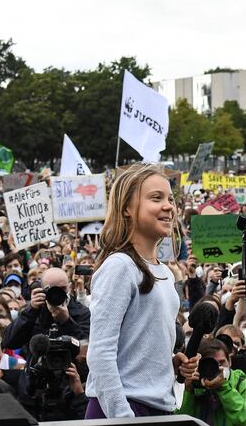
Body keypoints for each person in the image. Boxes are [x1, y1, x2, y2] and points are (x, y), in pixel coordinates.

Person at [85, 164, 198, 418]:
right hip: (122, 409)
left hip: (159, 408)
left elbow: (136, 349)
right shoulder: (119, 266)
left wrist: (170, 363)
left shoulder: (167, 274)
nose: (169, 206)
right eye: (156, 198)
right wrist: (123, 417)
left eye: (171, 199)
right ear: (126, 207)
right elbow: (100, 354)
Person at [1, 267, 90, 358]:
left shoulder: (82, 312)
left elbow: (87, 348)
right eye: (52, 289)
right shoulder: (34, 313)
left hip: (70, 369)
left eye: (62, 289)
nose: (58, 294)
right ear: (42, 290)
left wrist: (67, 322)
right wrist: (31, 310)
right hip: (37, 369)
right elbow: (9, 342)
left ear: (69, 287)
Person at [178, 337, 246, 425]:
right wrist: (188, 392)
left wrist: (224, 388)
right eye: (212, 365)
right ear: (199, 367)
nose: (219, 369)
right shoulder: (193, 387)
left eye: (221, 363)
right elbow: (177, 421)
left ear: (230, 361)